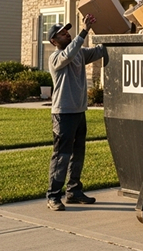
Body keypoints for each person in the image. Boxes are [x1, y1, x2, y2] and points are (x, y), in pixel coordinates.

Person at [45, 13, 108, 211]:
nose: (66, 34)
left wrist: (119, 34)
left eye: (67, 32)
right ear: (54, 41)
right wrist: (84, 30)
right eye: (62, 34)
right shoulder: (56, 57)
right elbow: (69, 54)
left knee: (78, 153)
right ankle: (53, 196)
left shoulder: (79, 53)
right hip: (63, 113)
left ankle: (73, 191)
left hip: (79, 111)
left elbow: (100, 51)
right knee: (61, 155)